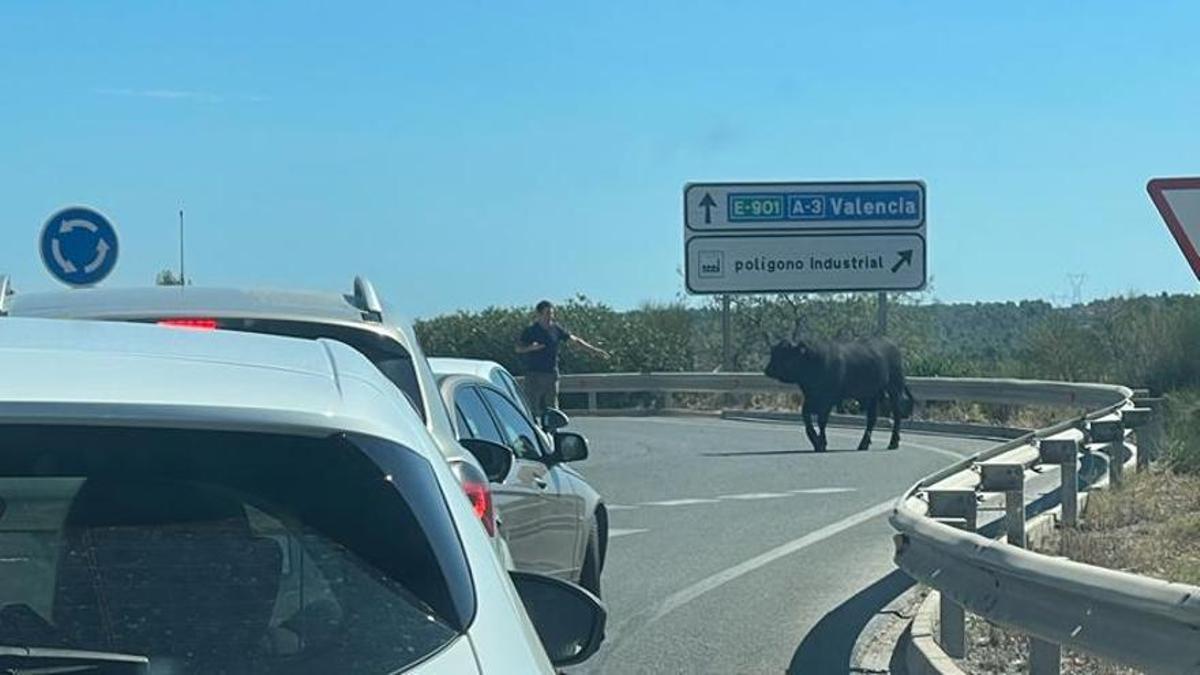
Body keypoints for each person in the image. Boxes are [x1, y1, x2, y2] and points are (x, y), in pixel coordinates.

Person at [517, 300, 609, 418]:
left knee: (552, 408)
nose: (550, 316)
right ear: (539, 314)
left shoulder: (556, 329)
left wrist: (594, 350)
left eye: (551, 313)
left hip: (551, 373)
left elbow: (575, 340)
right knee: (531, 407)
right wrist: (531, 348)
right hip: (534, 374)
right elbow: (518, 349)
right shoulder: (530, 331)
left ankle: (553, 432)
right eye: (547, 313)